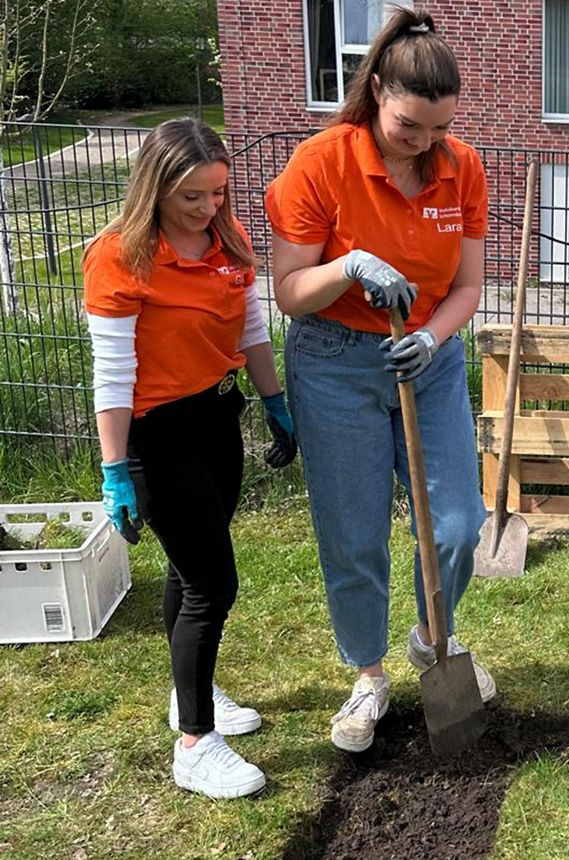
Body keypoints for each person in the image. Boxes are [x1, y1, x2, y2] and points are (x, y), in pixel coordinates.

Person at [265, 9, 492, 754]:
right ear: (375, 95)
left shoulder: (462, 166)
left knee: (459, 524)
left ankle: (432, 641)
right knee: (355, 532)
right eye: (408, 128)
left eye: (437, 130)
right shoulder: (320, 164)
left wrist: (430, 336)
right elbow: (289, 292)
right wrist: (349, 265)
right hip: (333, 362)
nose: (425, 144)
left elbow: (467, 286)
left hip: (425, 363)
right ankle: (369, 675)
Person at [85, 118, 297, 799]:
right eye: (193, 199)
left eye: (218, 193)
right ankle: (195, 745)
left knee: (190, 567)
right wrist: (115, 469)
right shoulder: (120, 258)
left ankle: (190, 693)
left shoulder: (226, 243)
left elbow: (252, 326)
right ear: (155, 190)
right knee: (213, 584)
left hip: (215, 420)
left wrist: (274, 401)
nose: (209, 209)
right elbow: (112, 374)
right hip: (155, 436)